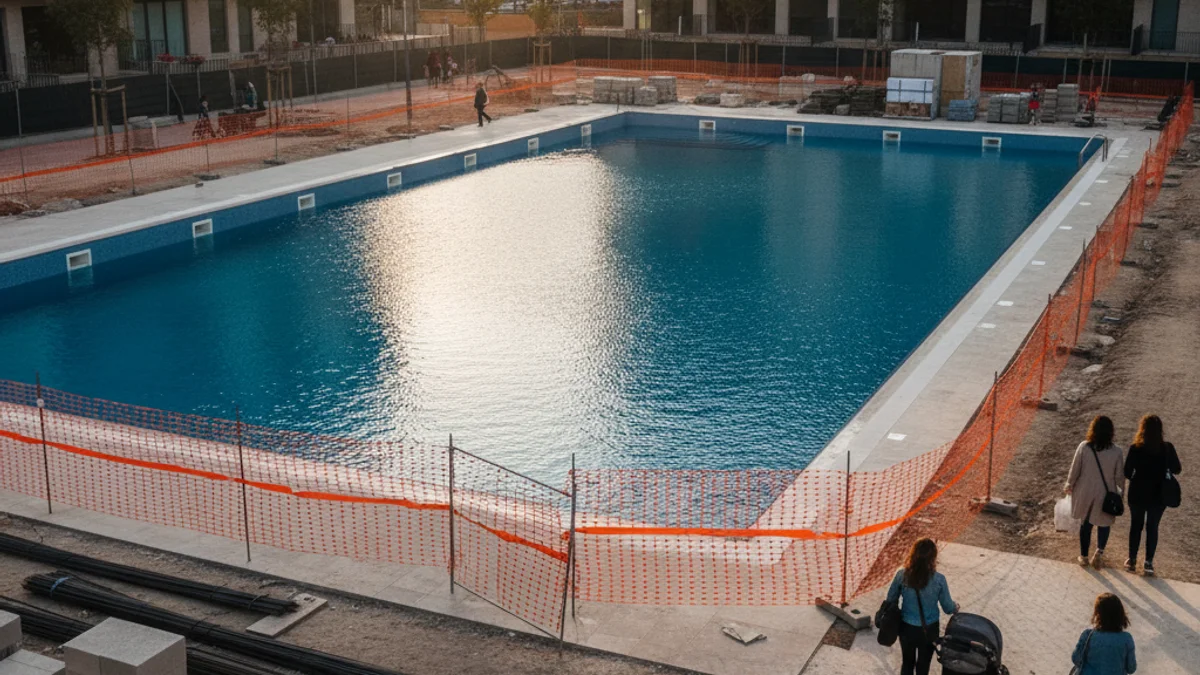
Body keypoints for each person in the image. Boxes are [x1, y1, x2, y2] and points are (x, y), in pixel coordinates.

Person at [885, 538, 958, 675]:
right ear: (933, 558)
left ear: (913, 554)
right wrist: (956, 607)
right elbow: (948, 608)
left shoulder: (902, 575)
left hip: (906, 627)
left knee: (907, 663)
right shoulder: (939, 580)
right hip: (929, 630)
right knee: (923, 666)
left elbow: (890, 599)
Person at [1124, 414, 1182, 576]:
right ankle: (1148, 562)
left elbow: (1127, 472)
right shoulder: (1167, 448)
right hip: (1158, 495)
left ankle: (1132, 560)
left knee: (1136, 526)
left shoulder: (1135, 448)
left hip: (1137, 493)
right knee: (1152, 527)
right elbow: (1177, 469)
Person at [1066, 415, 1126, 569]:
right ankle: (1099, 552)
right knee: (1104, 523)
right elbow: (1119, 476)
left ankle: (1084, 556)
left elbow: (1075, 468)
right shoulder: (1117, 452)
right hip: (1106, 493)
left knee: (1085, 523)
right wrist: (1121, 494)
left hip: (1085, 491)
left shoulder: (1084, 447)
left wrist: (1069, 484)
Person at [1071, 593, 1136, 674]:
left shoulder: (1088, 635)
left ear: (1097, 614)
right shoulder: (1126, 639)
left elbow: (1076, 659)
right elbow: (1131, 668)